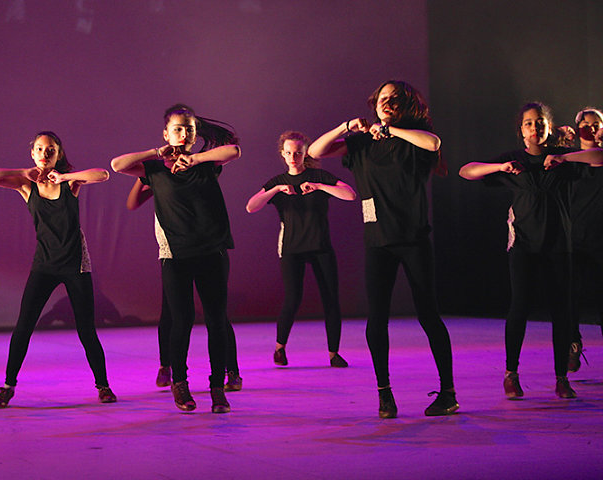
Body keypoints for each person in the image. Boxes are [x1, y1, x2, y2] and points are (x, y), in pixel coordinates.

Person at [308, 81, 457, 418]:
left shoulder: (413, 139)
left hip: (413, 239)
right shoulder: (361, 143)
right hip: (377, 241)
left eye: (394, 99)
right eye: (382, 98)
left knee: (428, 315)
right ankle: (384, 394)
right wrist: (347, 127)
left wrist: (391, 130)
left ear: (406, 106)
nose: (387, 103)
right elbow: (316, 151)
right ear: (374, 104)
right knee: (377, 318)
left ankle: (448, 392)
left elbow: (433, 143)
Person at [459, 102, 603, 400]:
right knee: (520, 307)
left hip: (558, 245)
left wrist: (564, 157)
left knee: (561, 311)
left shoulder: (563, 160)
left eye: (540, 122)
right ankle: (511, 374)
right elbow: (466, 171)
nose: (535, 127)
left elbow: (599, 157)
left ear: (548, 127)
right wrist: (500, 167)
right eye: (529, 123)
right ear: (521, 131)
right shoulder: (514, 160)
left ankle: (561, 378)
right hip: (524, 245)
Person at [111, 104, 241, 413]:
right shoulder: (155, 170)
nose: (184, 134)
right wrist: (158, 152)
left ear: (195, 136)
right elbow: (117, 165)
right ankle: (179, 382)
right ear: (166, 134)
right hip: (176, 256)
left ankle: (217, 388)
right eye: (178, 129)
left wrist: (194, 158)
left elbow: (234, 151)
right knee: (181, 321)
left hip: (212, 252)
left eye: (189, 129)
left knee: (216, 321)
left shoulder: (206, 164)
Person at [0, 131, 116, 407]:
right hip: (44, 264)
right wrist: (24, 172)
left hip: (74, 264)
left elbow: (103, 174)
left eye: (51, 149)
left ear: (58, 154)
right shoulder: (26, 186)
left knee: (86, 330)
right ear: (33, 154)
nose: (45, 153)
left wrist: (64, 177)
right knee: (24, 326)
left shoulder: (70, 183)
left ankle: (103, 386)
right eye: (40, 149)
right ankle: (8, 385)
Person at [246, 131, 356, 368]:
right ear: (283, 154)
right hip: (292, 248)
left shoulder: (318, 176)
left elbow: (350, 194)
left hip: (320, 246)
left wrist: (320, 186)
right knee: (292, 299)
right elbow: (251, 207)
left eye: (298, 153)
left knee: (331, 299)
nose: (293, 157)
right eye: (289, 153)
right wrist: (276, 190)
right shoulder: (277, 182)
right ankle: (279, 348)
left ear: (305, 153)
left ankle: (333, 353)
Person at [125, 178, 242, 391]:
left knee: (216, 315)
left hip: (204, 249)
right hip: (173, 252)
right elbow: (132, 202)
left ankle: (231, 370)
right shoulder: (159, 177)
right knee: (172, 313)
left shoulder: (198, 173)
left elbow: (224, 158)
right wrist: (143, 176)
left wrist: (194, 162)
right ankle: (167, 366)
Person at [565, 108, 603, 372]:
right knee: (569, 297)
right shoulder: (568, 162)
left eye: (596, 124)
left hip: (600, 239)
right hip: (574, 239)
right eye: (585, 124)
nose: (591, 128)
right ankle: (572, 344)